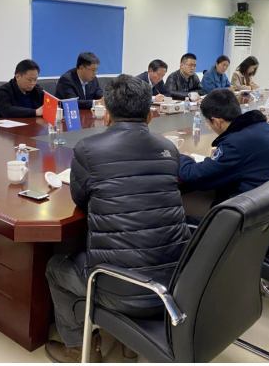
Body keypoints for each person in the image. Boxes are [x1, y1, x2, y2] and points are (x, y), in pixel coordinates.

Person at [45, 75, 190, 363]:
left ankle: (78, 348)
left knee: (56, 267)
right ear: (150, 115)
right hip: (177, 282)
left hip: (120, 288)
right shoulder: (169, 149)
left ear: (107, 115)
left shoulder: (87, 149)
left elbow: (81, 199)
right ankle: (130, 342)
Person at [178, 89, 269, 223]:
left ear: (216, 122)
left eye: (208, 124)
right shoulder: (267, 128)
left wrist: (182, 157)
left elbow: (196, 176)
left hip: (264, 222)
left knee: (180, 223)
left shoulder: (235, 144)